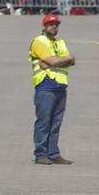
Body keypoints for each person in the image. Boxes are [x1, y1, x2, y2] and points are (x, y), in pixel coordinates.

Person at [29, 13, 74, 165]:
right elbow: (51, 60)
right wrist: (58, 61)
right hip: (45, 86)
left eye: (56, 24)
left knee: (56, 123)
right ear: (44, 26)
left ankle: (53, 153)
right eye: (50, 24)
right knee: (44, 121)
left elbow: (72, 60)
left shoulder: (60, 42)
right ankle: (41, 154)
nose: (54, 26)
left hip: (61, 87)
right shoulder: (39, 41)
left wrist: (54, 62)